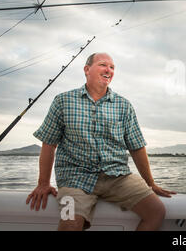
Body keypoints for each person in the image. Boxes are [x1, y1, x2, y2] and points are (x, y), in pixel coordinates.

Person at [26, 52, 175, 231]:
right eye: (103, 65)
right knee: (70, 223)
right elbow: (49, 144)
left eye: (112, 67)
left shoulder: (123, 105)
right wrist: (43, 183)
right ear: (87, 69)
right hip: (74, 179)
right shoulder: (62, 101)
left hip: (118, 176)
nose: (109, 70)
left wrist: (150, 182)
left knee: (156, 211)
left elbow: (136, 147)